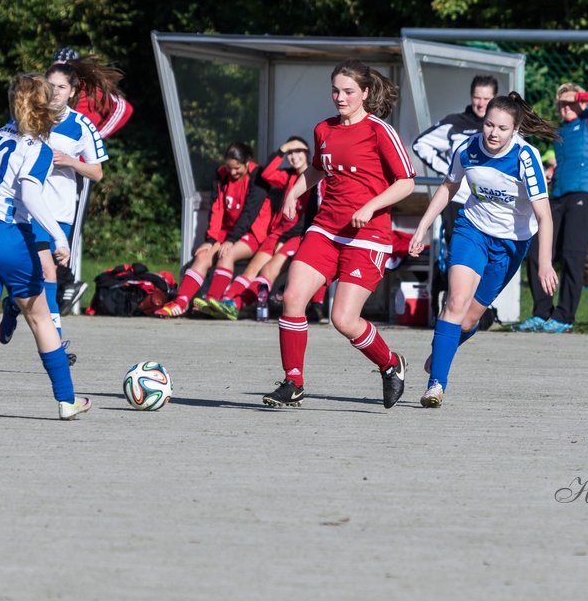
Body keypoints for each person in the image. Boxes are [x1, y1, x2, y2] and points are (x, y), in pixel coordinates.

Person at [263, 59, 416, 409]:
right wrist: (293, 193)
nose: (340, 97)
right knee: (292, 298)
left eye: (348, 91)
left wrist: (370, 206)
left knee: (343, 320)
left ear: (364, 92)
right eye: (336, 90)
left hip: (367, 238)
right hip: (326, 230)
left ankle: (391, 364)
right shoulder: (324, 129)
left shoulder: (380, 131)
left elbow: (406, 182)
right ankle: (294, 382)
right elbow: (318, 169)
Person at [0, 73, 89, 420]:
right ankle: (67, 399)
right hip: (6, 234)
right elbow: (28, 191)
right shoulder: (38, 148)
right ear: (46, 108)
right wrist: (57, 236)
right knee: (40, 318)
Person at [408, 93, 559, 407]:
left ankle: (439, 355)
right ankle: (436, 383)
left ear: (515, 129)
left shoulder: (525, 157)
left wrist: (544, 263)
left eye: (502, 128)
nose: (493, 133)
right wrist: (422, 227)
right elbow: (449, 187)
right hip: (471, 230)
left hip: (511, 244)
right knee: (455, 301)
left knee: (468, 321)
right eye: (489, 124)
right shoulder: (467, 149)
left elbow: (544, 215)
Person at [0, 58, 109, 364]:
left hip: (59, 213)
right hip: (27, 209)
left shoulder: (82, 126)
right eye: (51, 86)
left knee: (45, 274)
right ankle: (56, 345)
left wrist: (70, 162)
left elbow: (97, 172)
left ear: (73, 92)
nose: (56, 92)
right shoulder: (28, 119)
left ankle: (11, 307)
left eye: (62, 87)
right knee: (46, 272)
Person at [517, 82, 588, 333]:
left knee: (573, 253)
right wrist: (551, 171)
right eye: (561, 104)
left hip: (585, 196)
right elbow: (564, 161)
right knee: (538, 250)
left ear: (581, 102)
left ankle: (565, 316)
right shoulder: (561, 132)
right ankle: (541, 312)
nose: (565, 108)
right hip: (557, 195)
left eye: (570, 103)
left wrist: (578, 96)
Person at [197, 136, 318, 320]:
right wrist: (282, 150)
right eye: (290, 153)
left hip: (296, 237)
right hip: (277, 234)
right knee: (251, 270)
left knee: (268, 271)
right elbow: (266, 173)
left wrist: (284, 239)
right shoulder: (287, 176)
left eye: (298, 151)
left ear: (308, 153)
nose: (294, 156)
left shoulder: (316, 177)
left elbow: (307, 218)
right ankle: (226, 302)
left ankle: (235, 304)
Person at [47, 48, 132, 308]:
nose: (60, 72)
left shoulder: (88, 91)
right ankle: (50, 285)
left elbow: (124, 109)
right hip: (52, 169)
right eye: (56, 65)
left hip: (77, 167)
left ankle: (65, 282)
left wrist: (92, 142)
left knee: (65, 227)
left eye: (65, 66)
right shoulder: (51, 93)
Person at [155, 142, 271, 317]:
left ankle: (211, 302)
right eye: (229, 167)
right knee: (203, 255)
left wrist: (231, 241)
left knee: (227, 254)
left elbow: (249, 215)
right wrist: (210, 240)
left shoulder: (257, 177)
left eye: (237, 168)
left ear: (248, 162)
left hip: (252, 233)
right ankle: (180, 303)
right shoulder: (221, 175)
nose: (233, 173)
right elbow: (217, 210)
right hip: (228, 233)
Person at [412, 75, 499, 303]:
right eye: (477, 97)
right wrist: (450, 170)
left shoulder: (500, 126)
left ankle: (479, 307)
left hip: (489, 203)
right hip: (458, 200)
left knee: (487, 255)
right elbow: (421, 144)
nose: (481, 103)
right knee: (456, 253)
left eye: (487, 98)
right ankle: (449, 303)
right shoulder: (455, 122)